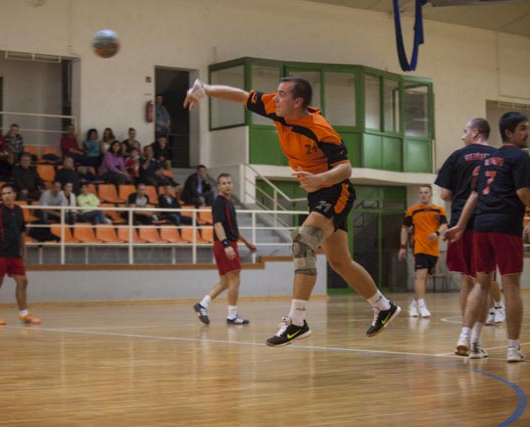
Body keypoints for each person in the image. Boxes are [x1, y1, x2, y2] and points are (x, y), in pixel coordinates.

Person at [184, 76, 401, 346]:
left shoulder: (320, 129)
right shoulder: (276, 108)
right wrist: (204, 90)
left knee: (303, 241)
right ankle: (383, 306)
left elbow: (346, 168)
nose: (275, 98)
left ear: (298, 102)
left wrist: (320, 179)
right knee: (340, 262)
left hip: (335, 190)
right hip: (317, 194)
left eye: (282, 94)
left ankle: (296, 321)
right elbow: (241, 96)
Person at [445, 112, 530, 363]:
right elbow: (523, 193)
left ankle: (464, 337)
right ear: (508, 133)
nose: (527, 133)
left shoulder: (487, 160)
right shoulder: (520, 157)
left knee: (480, 284)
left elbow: (474, 196)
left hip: (481, 227)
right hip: (505, 226)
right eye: (522, 128)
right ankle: (513, 349)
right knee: (511, 285)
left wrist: (461, 225)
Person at [435, 118, 498, 358]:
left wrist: (462, 194)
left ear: (476, 132)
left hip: (460, 225)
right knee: (484, 282)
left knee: (467, 282)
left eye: (465, 131)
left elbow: (444, 194)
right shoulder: (498, 156)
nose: (463, 136)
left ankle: (465, 333)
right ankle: (475, 341)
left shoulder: (456, 156)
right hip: (487, 222)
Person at [193, 173, 257, 325]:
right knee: (235, 280)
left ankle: (202, 305)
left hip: (224, 244)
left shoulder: (229, 203)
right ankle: (232, 315)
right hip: (224, 245)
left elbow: (233, 229)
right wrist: (226, 245)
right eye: (224, 183)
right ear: (219, 186)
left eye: (229, 182)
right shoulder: (219, 202)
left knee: (225, 282)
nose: (227, 185)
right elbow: (218, 225)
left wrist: (247, 242)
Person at [0, 183, 42, 326]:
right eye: (3, 194)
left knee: (23, 281)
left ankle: (24, 315)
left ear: (14, 195)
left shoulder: (19, 210)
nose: (6, 196)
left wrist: (23, 250)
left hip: (15, 253)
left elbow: (21, 232)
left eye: (8, 193)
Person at [397, 184, 448, 318]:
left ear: (431, 194)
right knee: (420, 275)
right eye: (421, 193)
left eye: (426, 192)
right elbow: (404, 228)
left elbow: (444, 225)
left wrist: (436, 233)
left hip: (433, 250)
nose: (423, 195)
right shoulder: (413, 211)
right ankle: (422, 305)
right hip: (419, 247)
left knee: (425, 279)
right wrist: (402, 247)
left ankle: (414, 304)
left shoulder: (439, 210)